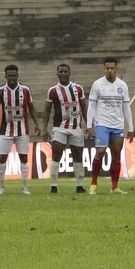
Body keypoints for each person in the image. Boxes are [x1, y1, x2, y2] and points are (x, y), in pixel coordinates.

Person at [87, 57, 133, 194]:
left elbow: (126, 108)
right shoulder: (97, 85)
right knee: (100, 152)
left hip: (118, 126)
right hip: (102, 124)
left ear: (116, 69)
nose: (110, 71)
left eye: (112, 68)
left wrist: (130, 127)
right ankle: (93, 184)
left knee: (116, 155)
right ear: (104, 69)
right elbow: (91, 106)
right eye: (107, 68)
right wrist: (90, 125)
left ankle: (114, 187)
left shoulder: (122, 86)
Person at [43, 64, 88, 194]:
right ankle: (53, 186)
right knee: (56, 153)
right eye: (60, 72)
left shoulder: (78, 88)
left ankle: (79, 186)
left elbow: (84, 108)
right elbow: (47, 110)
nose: (63, 74)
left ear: (69, 73)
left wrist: (89, 126)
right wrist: (44, 128)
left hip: (76, 127)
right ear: (57, 74)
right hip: (59, 127)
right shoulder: (53, 91)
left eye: (65, 71)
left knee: (78, 155)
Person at [0, 64, 37, 196]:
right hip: (5, 130)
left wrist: (37, 124)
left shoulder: (25, 90)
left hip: (22, 130)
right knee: (2, 158)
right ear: (5, 76)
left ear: (17, 76)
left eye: (14, 75)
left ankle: (24, 187)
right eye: (9, 75)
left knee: (23, 158)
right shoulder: (0, 91)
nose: (12, 78)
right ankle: (1, 187)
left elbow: (31, 107)